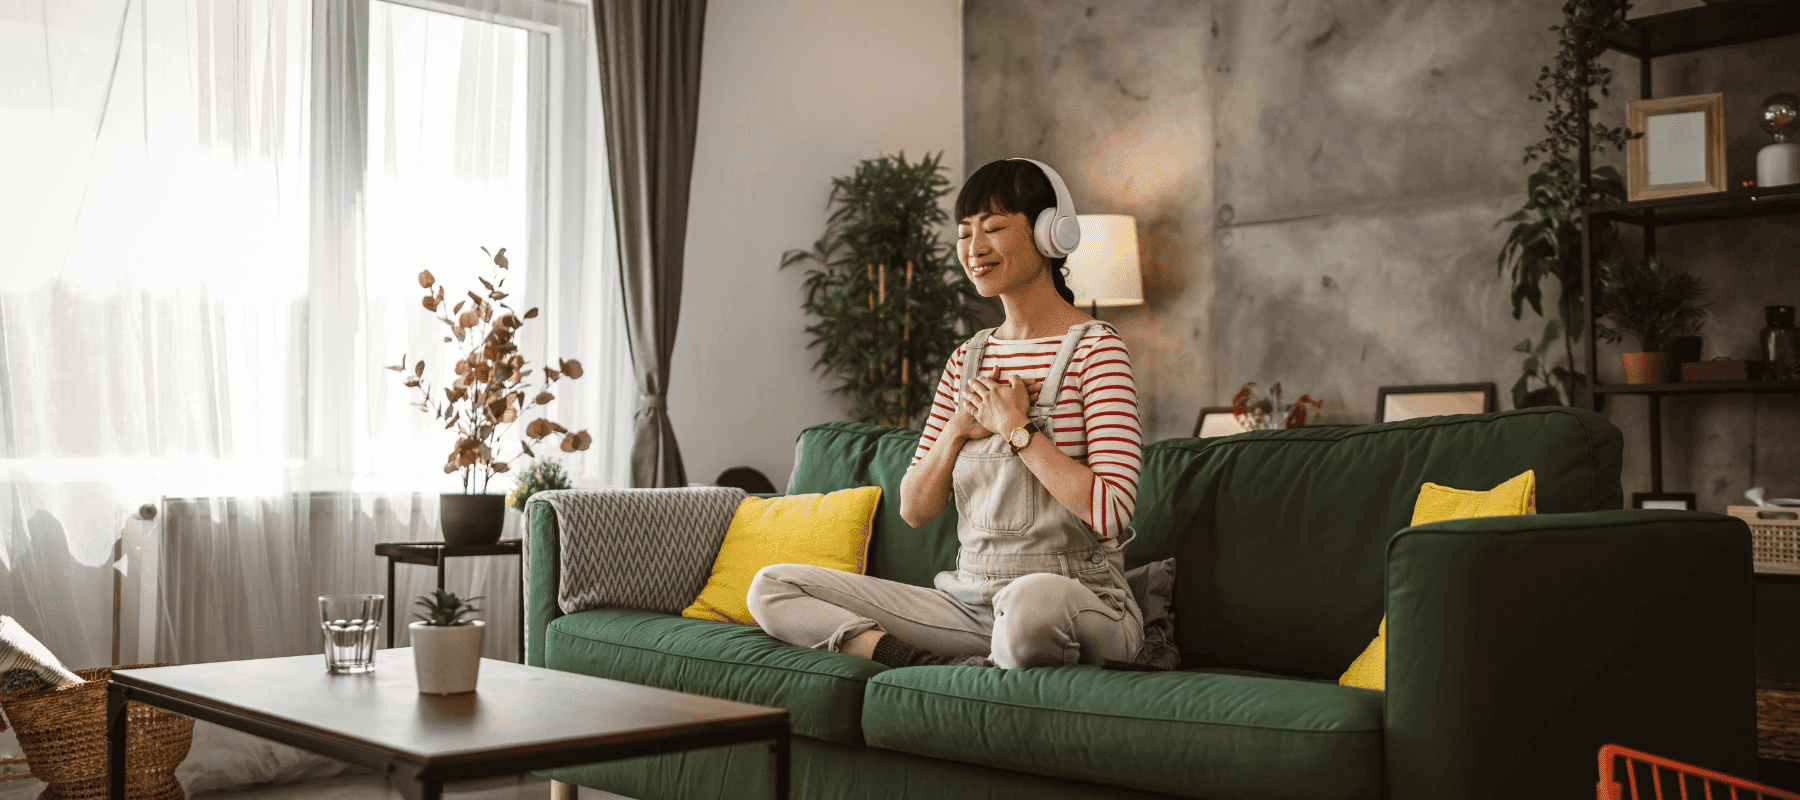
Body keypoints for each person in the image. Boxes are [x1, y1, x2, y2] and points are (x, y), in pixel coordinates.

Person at [746, 158, 1144, 669]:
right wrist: (959, 427)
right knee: (774, 586)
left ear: (1050, 234)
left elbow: (1111, 511)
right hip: (971, 602)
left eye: (995, 228)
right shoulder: (967, 359)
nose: (975, 249)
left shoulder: (1098, 350)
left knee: (1027, 608)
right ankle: (913, 660)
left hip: (1075, 599)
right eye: (964, 233)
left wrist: (1017, 430)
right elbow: (914, 509)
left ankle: (1005, 655)